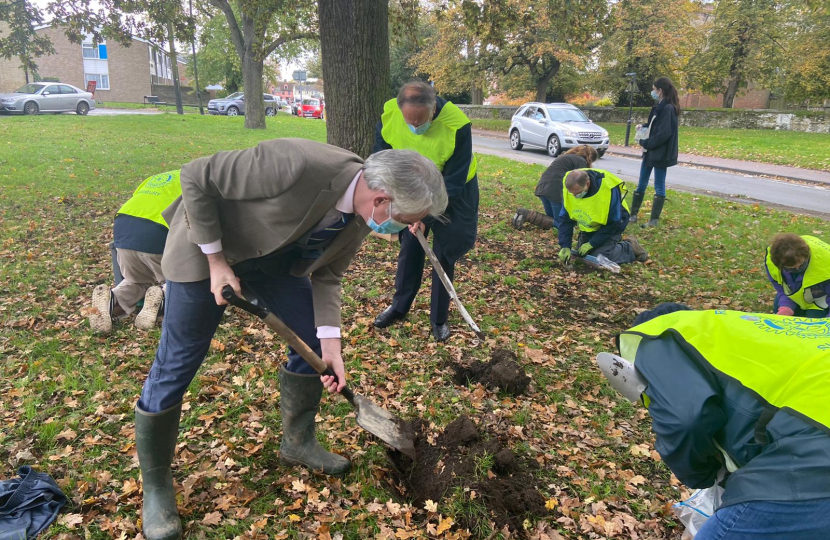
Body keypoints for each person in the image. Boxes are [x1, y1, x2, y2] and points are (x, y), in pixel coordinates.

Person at [134, 139, 447, 540]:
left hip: (277, 264)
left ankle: (298, 442)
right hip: (206, 251)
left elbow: (328, 276)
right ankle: (157, 485)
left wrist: (331, 349)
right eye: (405, 220)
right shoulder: (297, 164)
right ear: (382, 199)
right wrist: (216, 263)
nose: (404, 228)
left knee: (314, 340)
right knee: (178, 361)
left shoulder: (362, 215)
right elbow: (196, 176)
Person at [598, 303, 830, 540]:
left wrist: (700, 476)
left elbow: (686, 420)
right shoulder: (760, 332)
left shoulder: (661, 335)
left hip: (811, 460)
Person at [371, 80, 479, 342]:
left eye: (422, 121)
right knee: (410, 247)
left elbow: (451, 183)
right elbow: (381, 160)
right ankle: (399, 306)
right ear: (400, 109)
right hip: (413, 185)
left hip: (453, 189)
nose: (416, 127)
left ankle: (439, 318)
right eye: (411, 122)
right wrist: (396, 203)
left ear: (433, 108)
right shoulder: (389, 115)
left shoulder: (457, 125)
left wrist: (424, 216)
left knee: (443, 252)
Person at [88, 170, 181, 335]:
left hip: (124, 229)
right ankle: (163, 294)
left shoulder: (155, 178)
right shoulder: (198, 180)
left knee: (136, 280)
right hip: (158, 230)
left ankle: (112, 299)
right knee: (181, 278)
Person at [557, 169, 647, 266]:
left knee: (600, 258)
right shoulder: (570, 187)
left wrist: (592, 243)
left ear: (588, 184)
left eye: (578, 193)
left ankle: (629, 247)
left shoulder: (607, 189)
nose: (574, 196)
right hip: (590, 224)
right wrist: (565, 245)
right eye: (572, 194)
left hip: (613, 223)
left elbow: (613, 223)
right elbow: (565, 219)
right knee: (583, 255)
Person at [629, 77, 680, 228]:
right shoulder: (659, 107)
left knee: (659, 185)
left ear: (660, 90)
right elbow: (654, 125)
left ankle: (653, 220)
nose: (652, 92)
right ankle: (633, 216)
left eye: (654, 89)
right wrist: (643, 127)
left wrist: (646, 143)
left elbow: (664, 133)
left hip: (660, 153)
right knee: (641, 184)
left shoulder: (668, 108)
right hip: (650, 151)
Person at [512, 145, 598, 231]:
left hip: (543, 186)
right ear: (590, 158)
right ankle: (527, 215)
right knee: (563, 225)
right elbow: (582, 181)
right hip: (555, 189)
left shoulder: (567, 157)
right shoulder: (581, 161)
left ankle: (525, 214)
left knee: (551, 219)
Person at [765, 233, 830, 318]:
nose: (798, 269)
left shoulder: (826, 264)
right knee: (779, 306)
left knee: (813, 323)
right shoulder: (772, 263)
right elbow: (782, 288)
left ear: (806, 256)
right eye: (791, 269)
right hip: (799, 295)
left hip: (821, 299)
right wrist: (786, 306)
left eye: (802, 265)